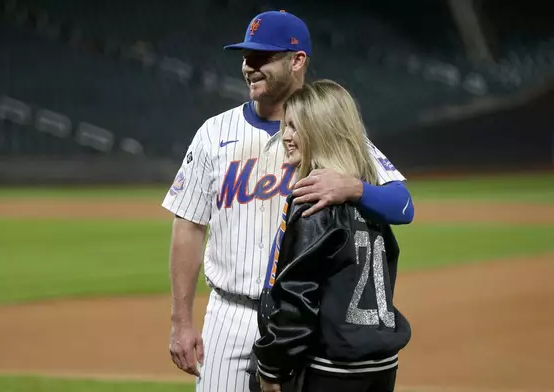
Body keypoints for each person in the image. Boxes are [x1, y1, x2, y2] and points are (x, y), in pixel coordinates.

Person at [161, 10, 414, 392]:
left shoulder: (333, 136)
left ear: (297, 61)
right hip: (231, 315)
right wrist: (181, 320)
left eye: (263, 57)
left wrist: (354, 188)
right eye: (246, 57)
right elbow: (188, 225)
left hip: (303, 321)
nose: (249, 66)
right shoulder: (213, 134)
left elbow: (402, 204)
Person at [252, 80, 411, 392]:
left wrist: (271, 367)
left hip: (331, 368)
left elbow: (297, 298)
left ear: (318, 132)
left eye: (295, 127)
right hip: (380, 364)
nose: (286, 136)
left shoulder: (316, 201)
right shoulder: (371, 202)